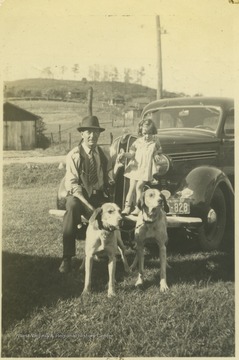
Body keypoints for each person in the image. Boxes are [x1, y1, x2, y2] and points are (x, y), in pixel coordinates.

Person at [59, 115, 110, 273]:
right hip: (80, 197)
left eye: (95, 132)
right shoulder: (74, 155)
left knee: (111, 209)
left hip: (97, 195)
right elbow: (73, 186)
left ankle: (104, 250)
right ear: (82, 134)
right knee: (72, 206)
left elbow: (106, 175)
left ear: (99, 134)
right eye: (88, 132)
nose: (92, 136)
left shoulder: (102, 153)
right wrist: (90, 207)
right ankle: (67, 257)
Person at [119, 118, 163, 216]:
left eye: (150, 133)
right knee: (131, 188)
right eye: (145, 133)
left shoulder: (155, 141)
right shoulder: (138, 142)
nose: (147, 136)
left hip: (146, 169)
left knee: (139, 187)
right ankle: (127, 208)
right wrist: (124, 154)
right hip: (136, 167)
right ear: (141, 132)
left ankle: (138, 207)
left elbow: (159, 150)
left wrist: (156, 153)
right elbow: (131, 154)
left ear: (153, 132)